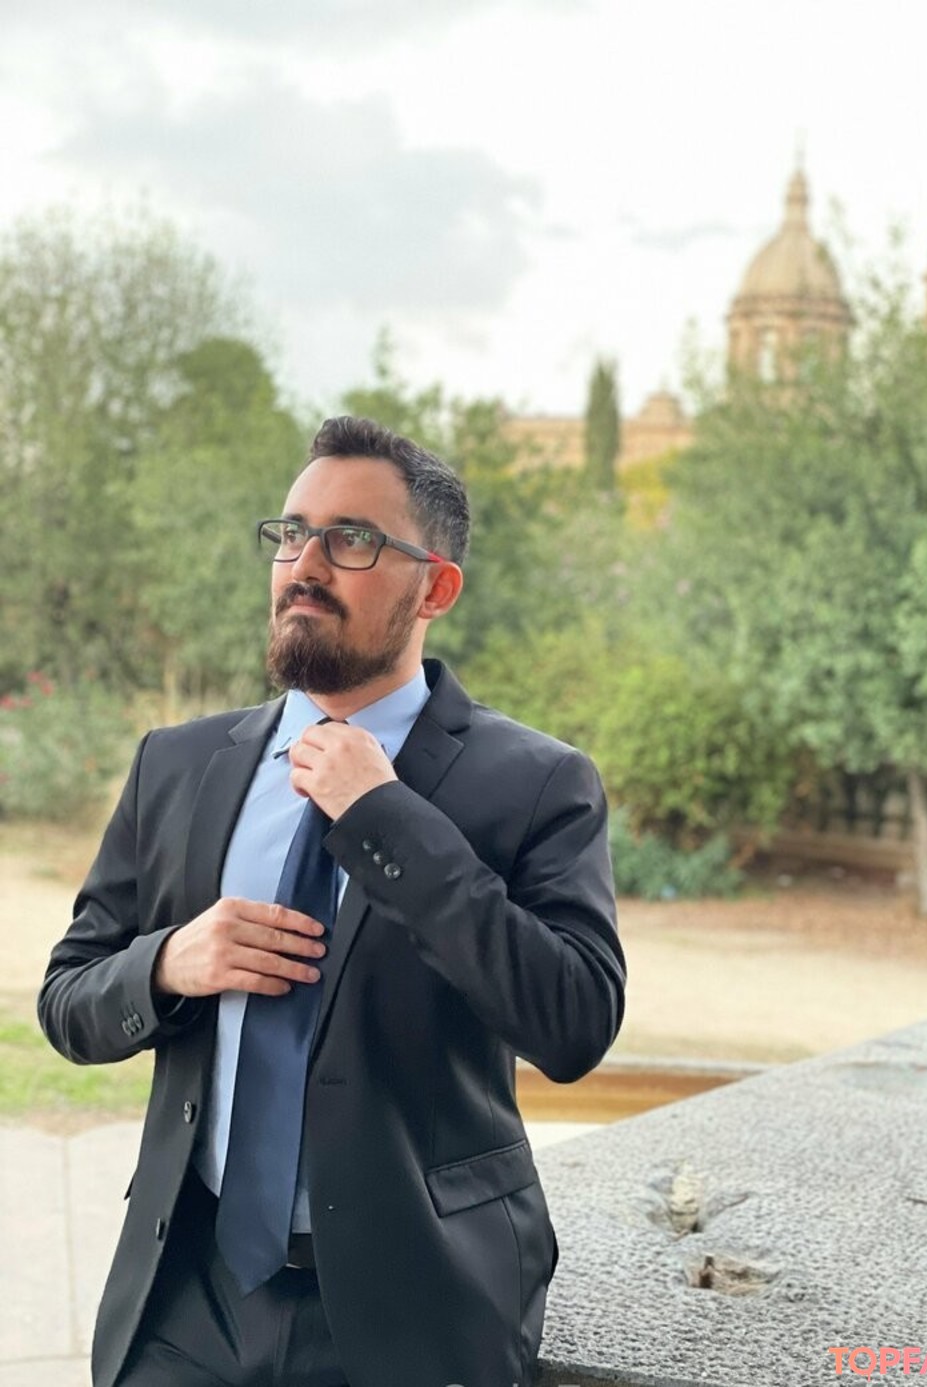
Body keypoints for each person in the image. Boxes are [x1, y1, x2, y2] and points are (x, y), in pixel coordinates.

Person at [38, 416, 626, 1387]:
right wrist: (169, 962)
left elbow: (574, 1022)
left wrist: (387, 816)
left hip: (414, 1313)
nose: (305, 565)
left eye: (351, 539)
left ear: (435, 587)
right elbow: (68, 1000)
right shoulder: (178, 764)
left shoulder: (537, 783)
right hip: (188, 1304)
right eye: (292, 533)